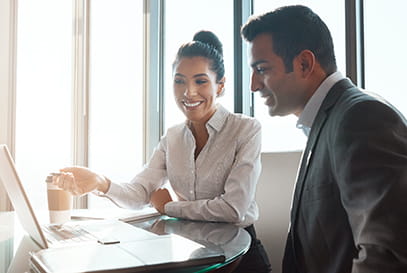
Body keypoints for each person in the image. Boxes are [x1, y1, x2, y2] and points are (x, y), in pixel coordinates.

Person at [53, 30, 272, 272]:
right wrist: (100, 183)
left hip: (241, 257)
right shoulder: (173, 137)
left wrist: (169, 207)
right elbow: (140, 192)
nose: (188, 92)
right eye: (180, 81)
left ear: (220, 86)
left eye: (200, 81)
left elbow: (233, 209)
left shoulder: (246, 129)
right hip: (195, 255)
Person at [241, 5, 407, 273]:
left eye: (262, 69)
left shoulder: (360, 117)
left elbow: (389, 253)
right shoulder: (327, 121)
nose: (253, 85)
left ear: (304, 63)